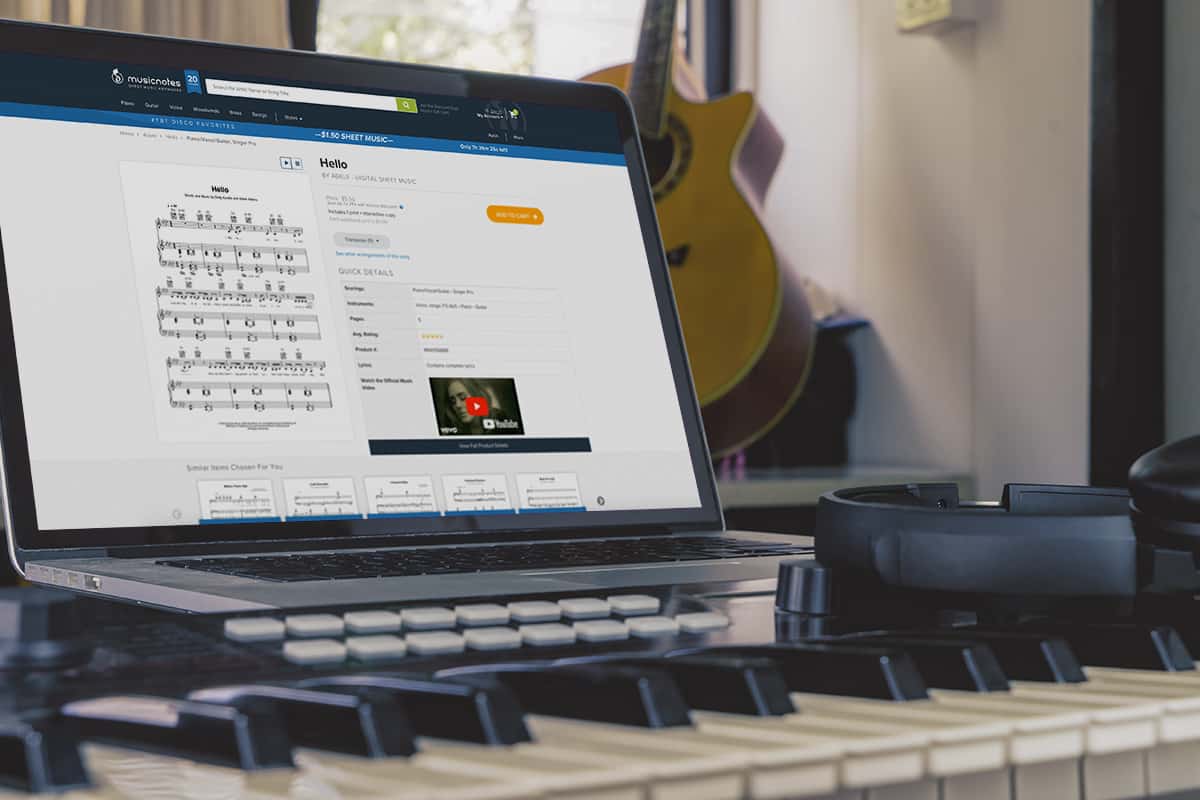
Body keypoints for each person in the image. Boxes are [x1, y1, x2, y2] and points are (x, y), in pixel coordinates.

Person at [437, 378, 521, 435]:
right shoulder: (453, 430)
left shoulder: (500, 418)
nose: (457, 405)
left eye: (463, 397)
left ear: (477, 395)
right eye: (453, 401)